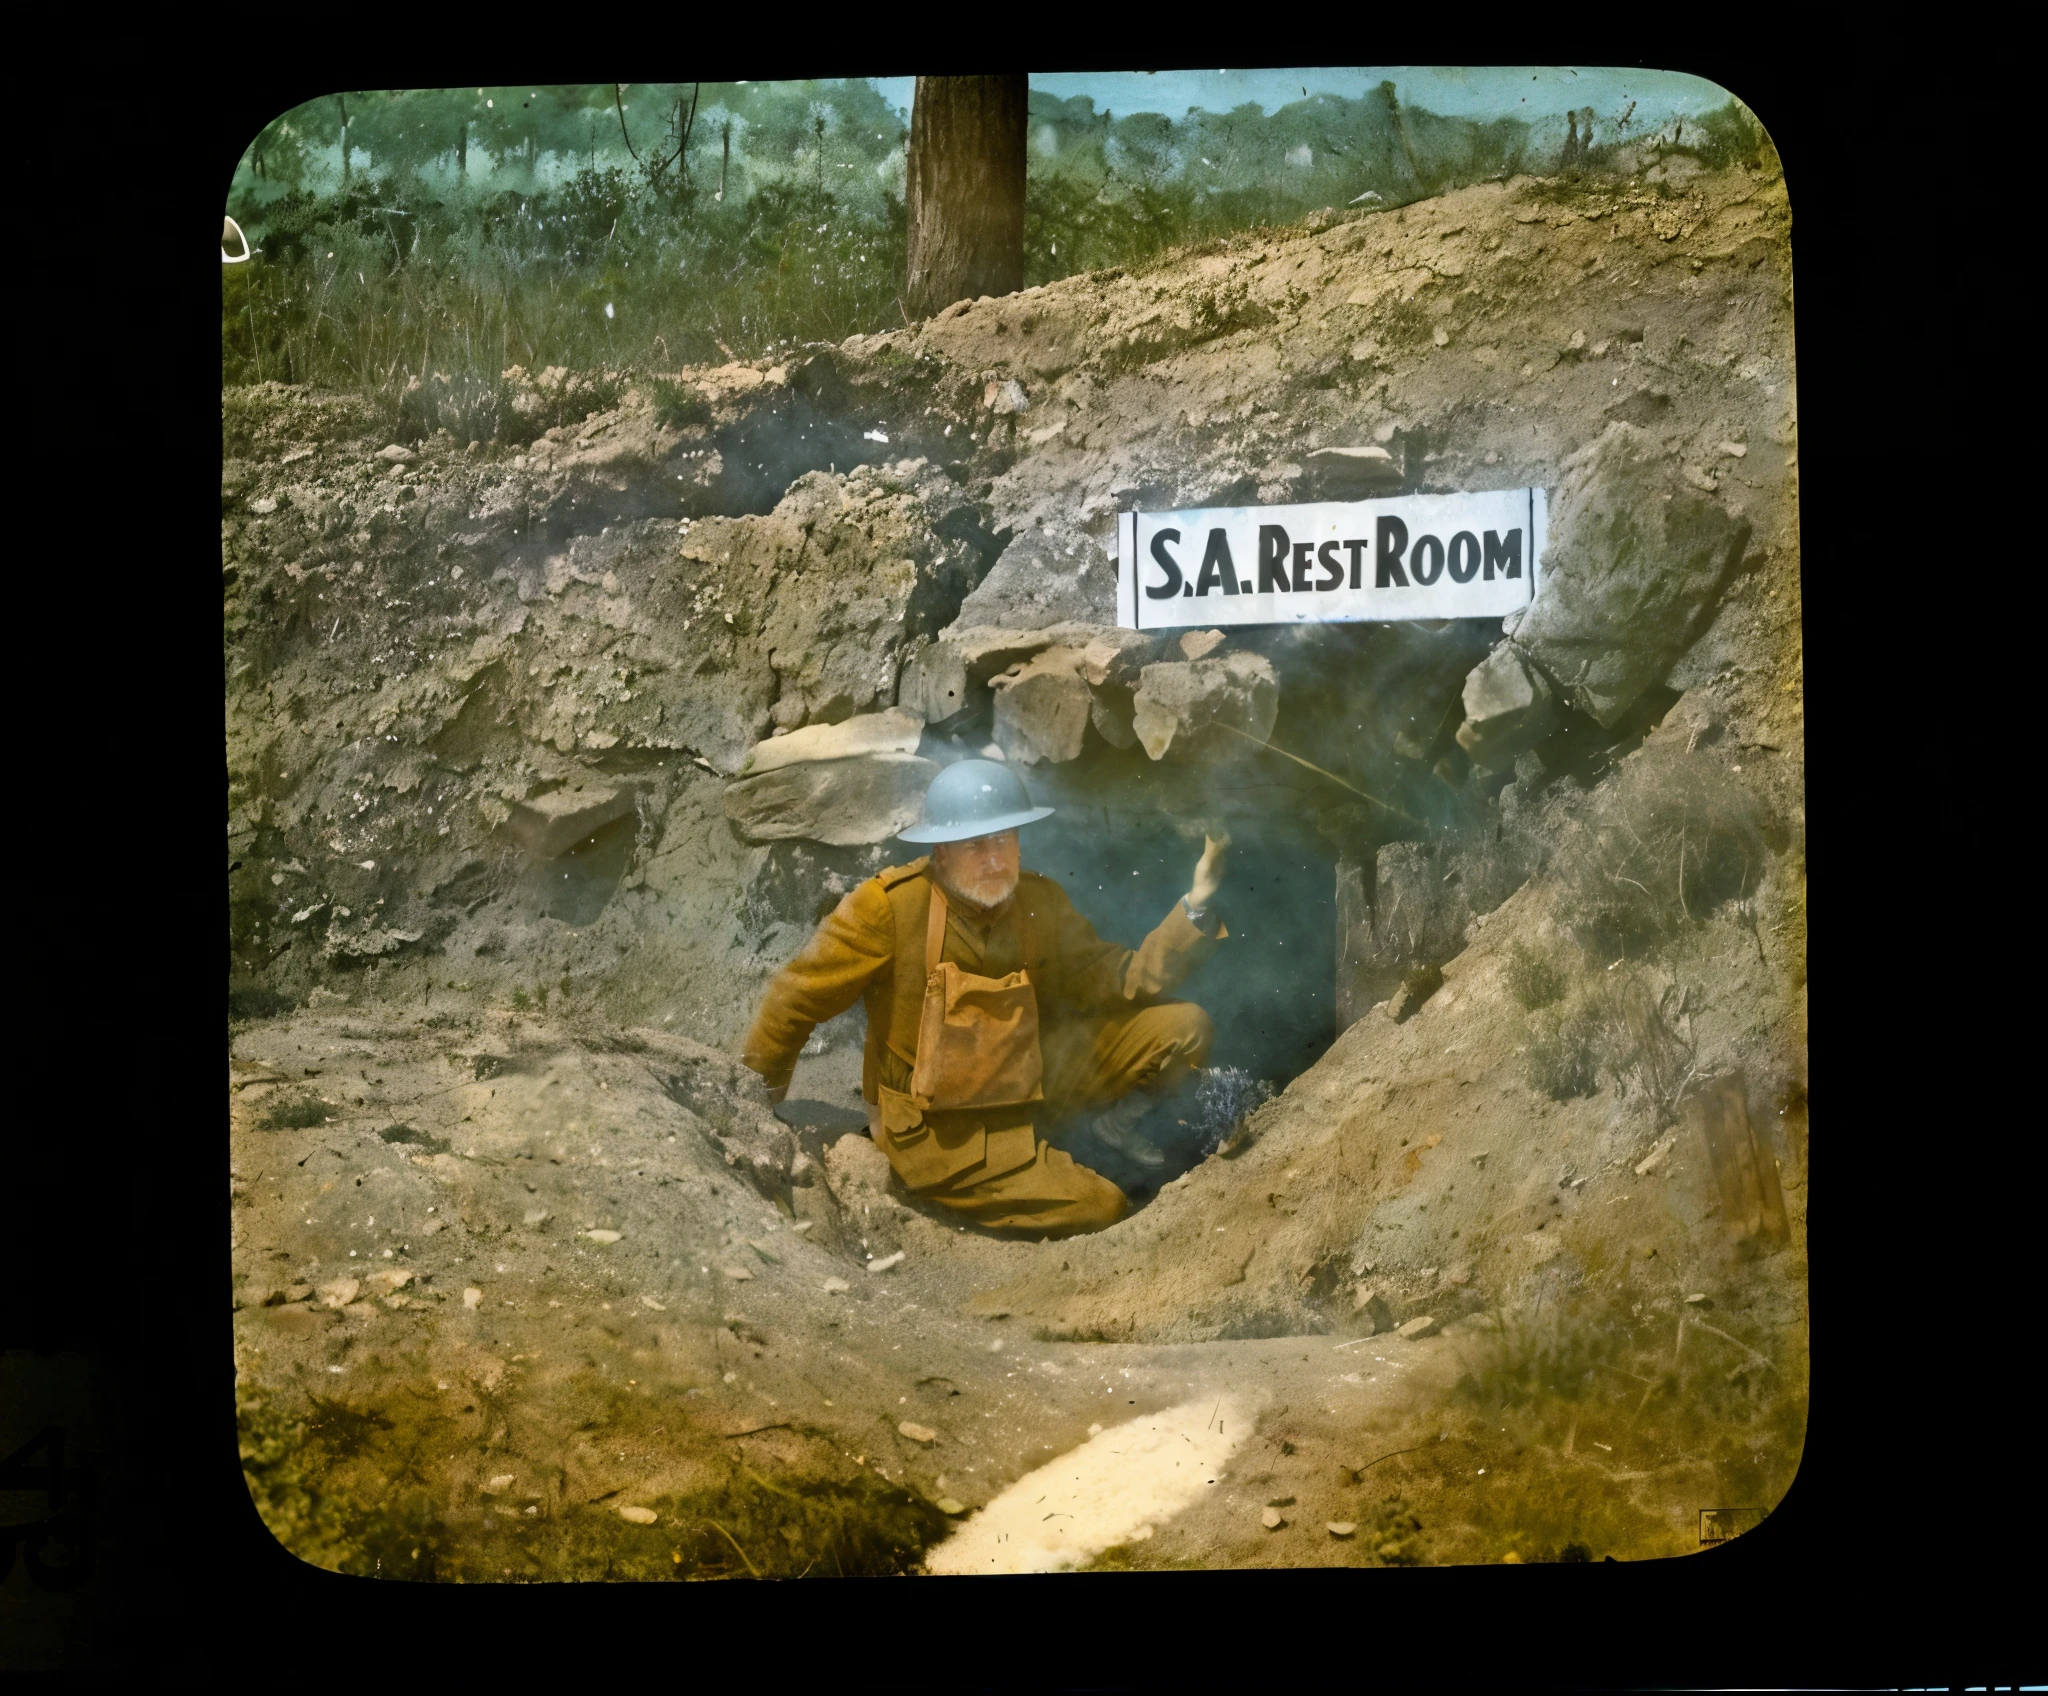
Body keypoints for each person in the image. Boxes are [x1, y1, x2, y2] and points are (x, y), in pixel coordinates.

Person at [741, 760, 1228, 1236]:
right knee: (1104, 1205)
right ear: (942, 851)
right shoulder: (888, 908)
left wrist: (1195, 907)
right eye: (975, 844)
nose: (994, 859)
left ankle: (1113, 1128)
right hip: (944, 1129)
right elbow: (794, 999)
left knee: (1185, 1028)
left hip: (1028, 1084)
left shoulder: (1040, 900)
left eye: (1004, 840)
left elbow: (1115, 977)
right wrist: (750, 1108)